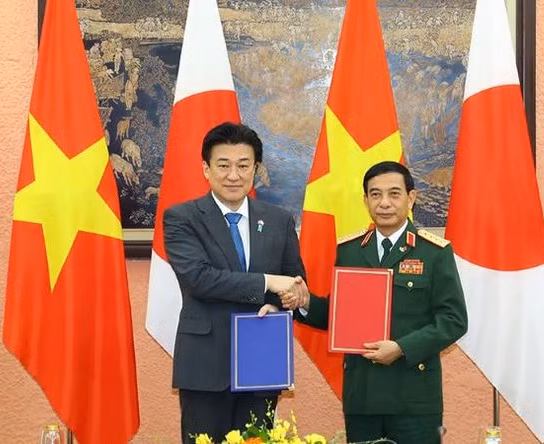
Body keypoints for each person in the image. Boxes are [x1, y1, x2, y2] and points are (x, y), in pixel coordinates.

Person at [285, 161, 467, 443]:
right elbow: (340, 315)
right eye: (375, 194)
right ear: (365, 200)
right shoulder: (351, 250)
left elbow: (453, 320)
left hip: (414, 397)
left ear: (411, 198)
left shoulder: (434, 252)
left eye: (394, 194)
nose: (384, 203)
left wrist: (402, 348)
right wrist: (305, 302)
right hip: (363, 395)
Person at [163, 122, 309, 444]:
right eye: (223, 165)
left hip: (262, 363)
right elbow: (200, 279)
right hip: (205, 367)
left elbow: (297, 284)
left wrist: (283, 301)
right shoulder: (181, 218)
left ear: (255, 169)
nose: (234, 175)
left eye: (243, 166)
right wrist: (269, 282)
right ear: (206, 168)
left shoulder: (278, 220)